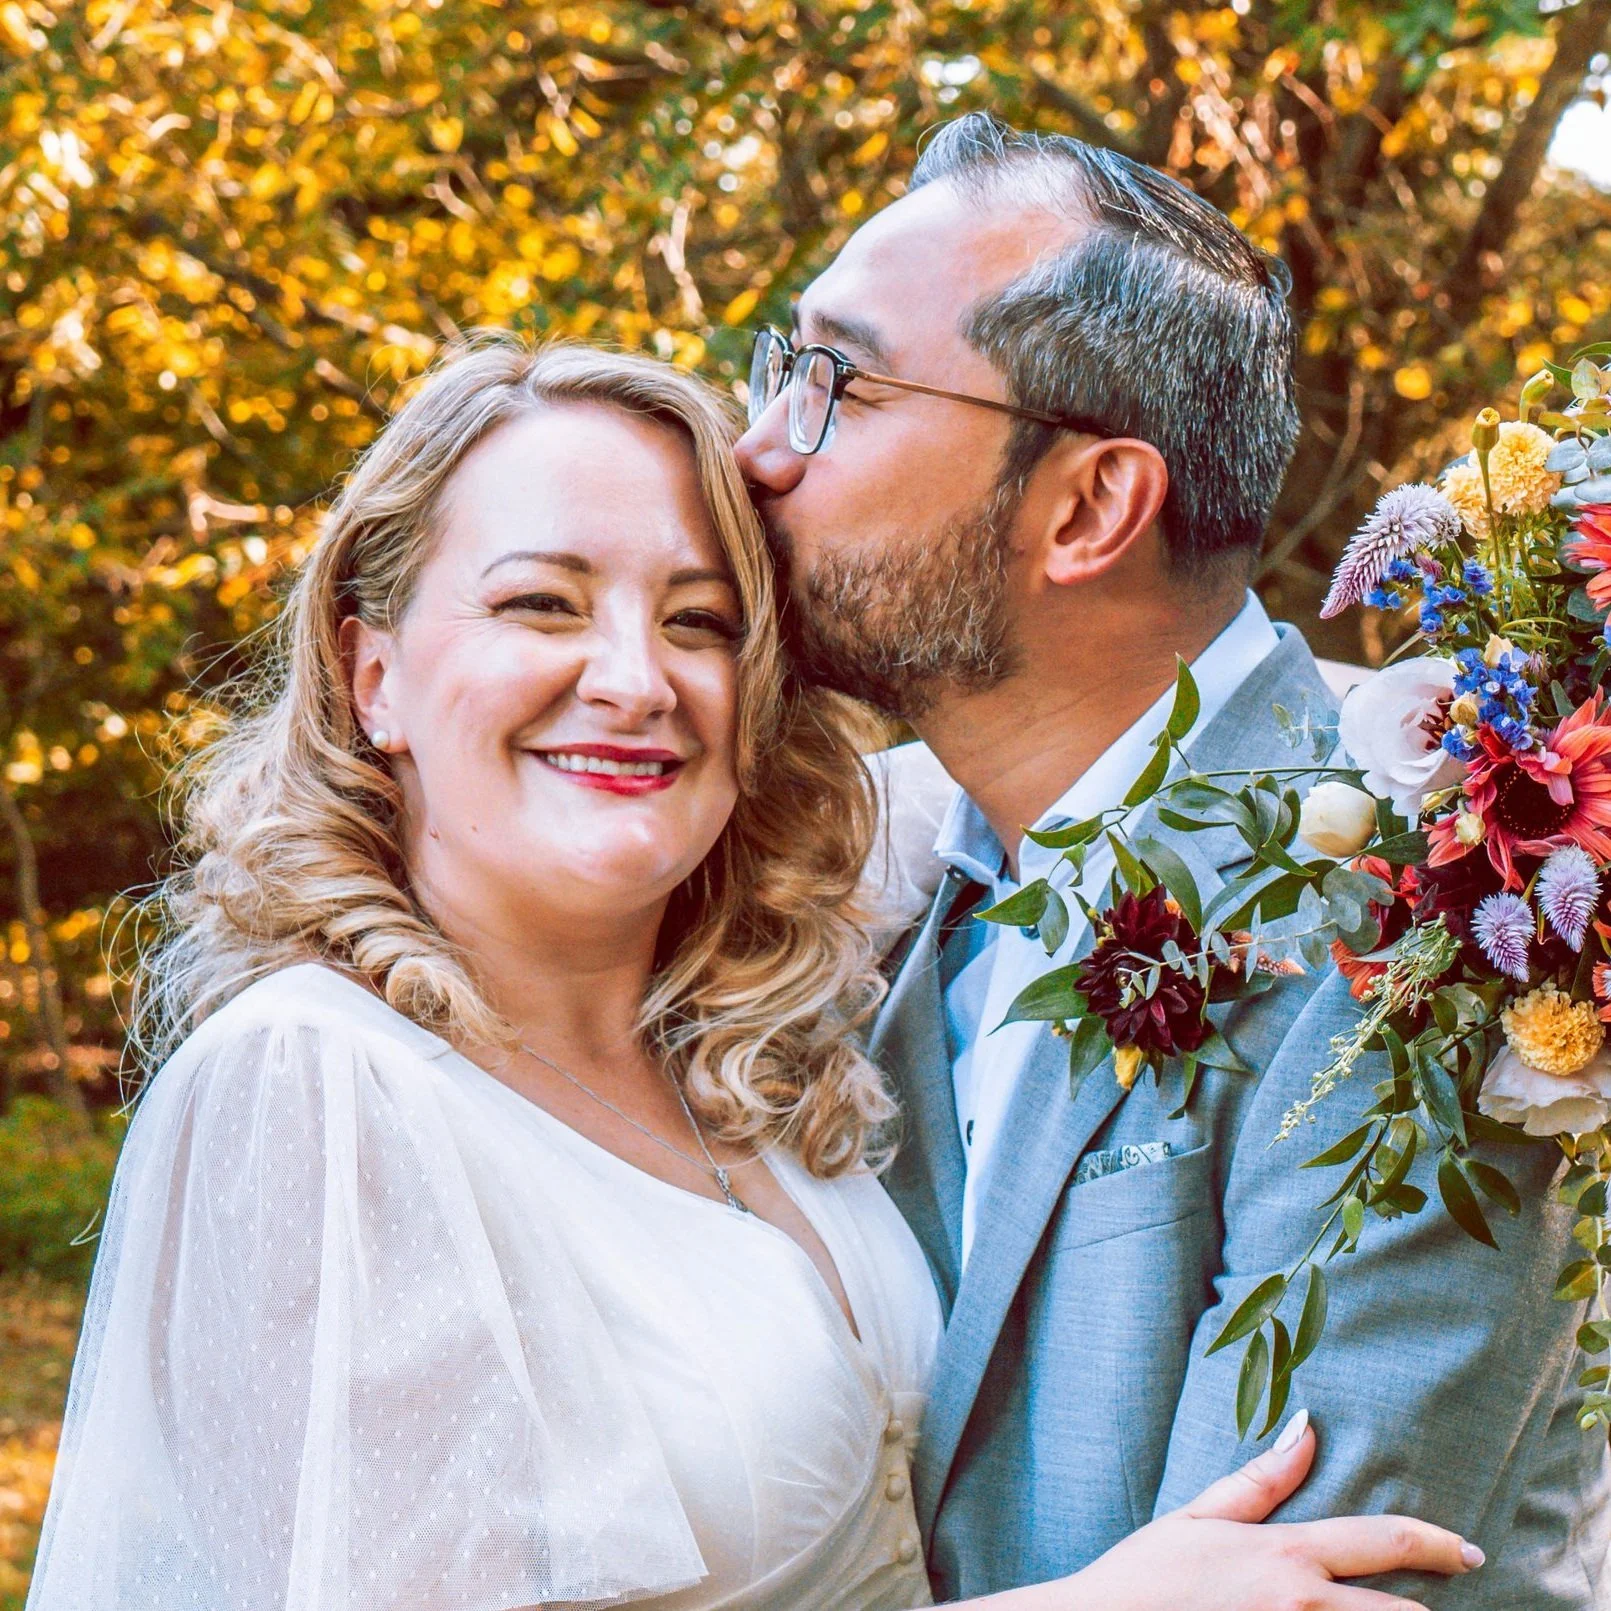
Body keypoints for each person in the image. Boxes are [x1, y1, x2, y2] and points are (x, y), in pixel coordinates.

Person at [28, 338, 1478, 1610]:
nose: (635, 677)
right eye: (541, 602)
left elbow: (1105, 764)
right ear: (373, 675)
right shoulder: (317, 1083)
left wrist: (1482, 768)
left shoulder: (778, 1035)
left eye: (700, 618)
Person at [734, 113, 1611, 1609]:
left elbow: (1299, 1576)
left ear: (1087, 507)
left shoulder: (1446, 914)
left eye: (839, 385)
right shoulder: (848, 877)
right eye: (777, 366)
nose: (758, 449)